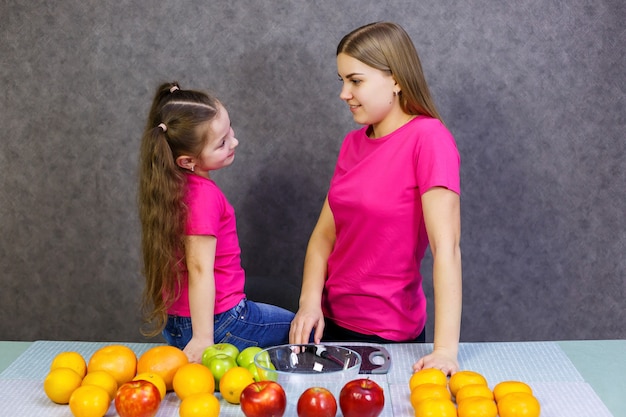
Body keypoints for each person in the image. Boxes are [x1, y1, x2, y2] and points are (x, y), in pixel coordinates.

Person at [289, 22, 462, 375]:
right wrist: (309, 304)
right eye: (341, 81)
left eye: (355, 80)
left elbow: (447, 248)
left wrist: (444, 351)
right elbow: (324, 237)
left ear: (396, 80)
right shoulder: (352, 144)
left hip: (386, 336)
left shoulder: (429, 139)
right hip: (328, 327)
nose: (344, 93)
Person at [138, 82, 294, 363]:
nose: (234, 142)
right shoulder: (203, 197)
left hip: (176, 324)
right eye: (221, 143)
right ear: (188, 161)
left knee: (282, 297)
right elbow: (199, 269)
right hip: (221, 323)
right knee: (306, 329)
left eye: (229, 130)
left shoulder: (170, 187)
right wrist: (202, 339)